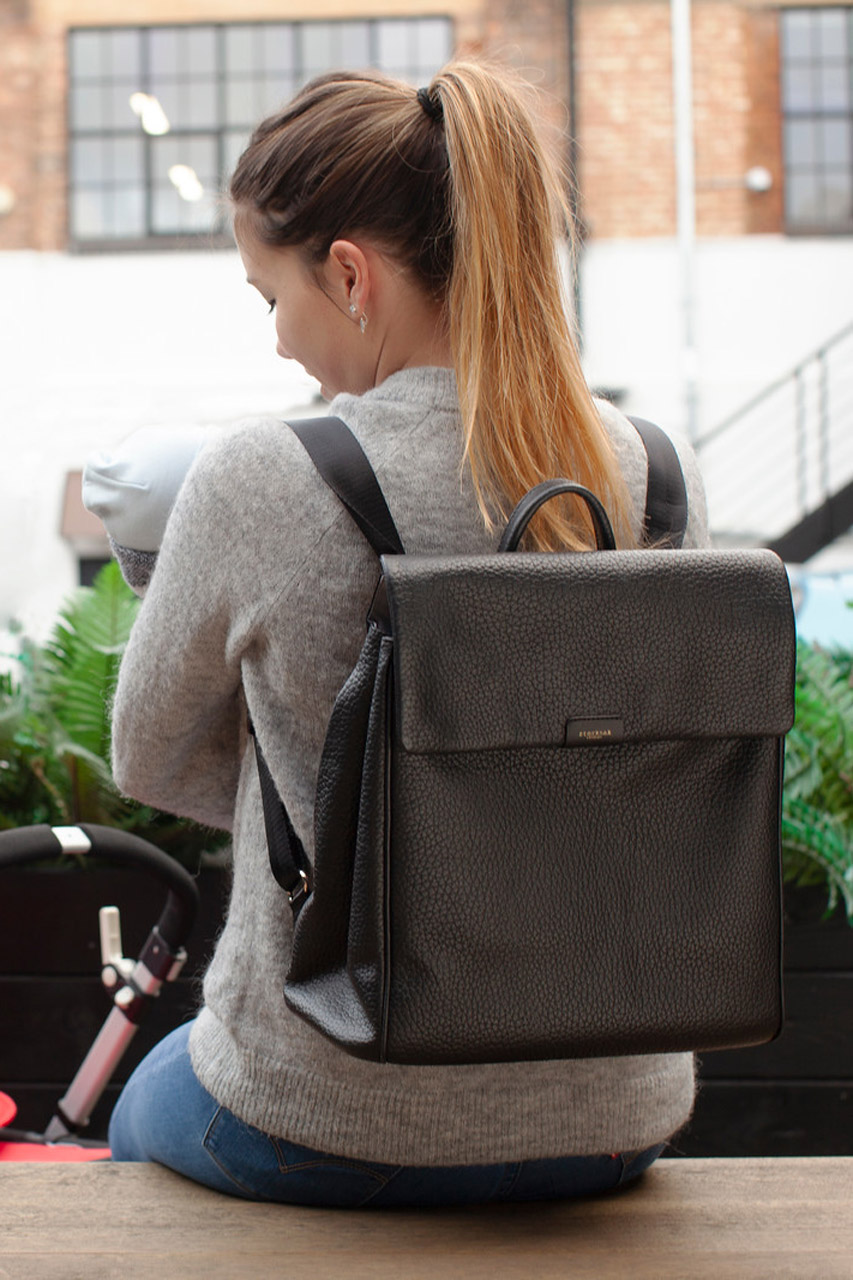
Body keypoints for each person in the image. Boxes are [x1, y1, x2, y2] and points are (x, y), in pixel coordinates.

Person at [105, 61, 708, 1207]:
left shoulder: (265, 477)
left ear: (350, 274)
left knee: (140, 1106)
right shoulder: (646, 470)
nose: (278, 342)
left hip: (335, 1111)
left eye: (271, 298)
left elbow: (151, 758)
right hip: (613, 1115)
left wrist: (334, 777)